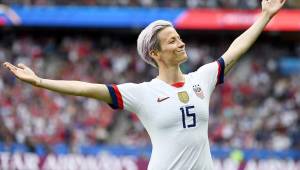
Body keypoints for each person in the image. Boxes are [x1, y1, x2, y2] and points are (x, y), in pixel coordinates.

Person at [2, 0, 286, 169]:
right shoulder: (143, 93)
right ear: (155, 53)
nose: (181, 42)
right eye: (172, 40)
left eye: (179, 37)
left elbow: (235, 50)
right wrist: (39, 82)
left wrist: (264, 16)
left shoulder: (202, 79)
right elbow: (87, 88)